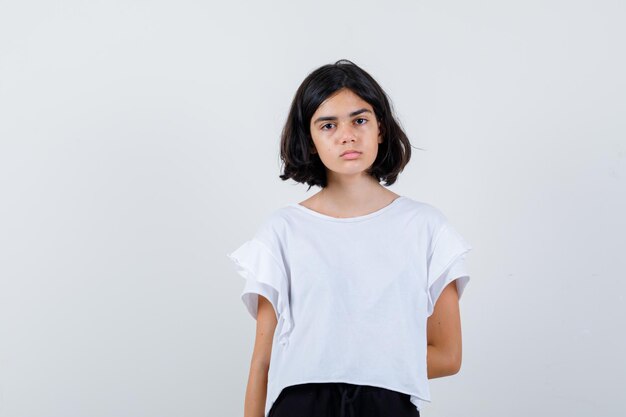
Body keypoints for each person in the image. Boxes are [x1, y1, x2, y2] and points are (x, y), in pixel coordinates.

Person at [227, 59, 473, 417]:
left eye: (360, 120)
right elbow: (262, 363)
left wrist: (345, 360)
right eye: (328, 125)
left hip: (385, 406)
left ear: (381, 129)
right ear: (309, 140)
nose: (347, 135)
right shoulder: (282, 231)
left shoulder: (425, 228)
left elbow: (448, 356)